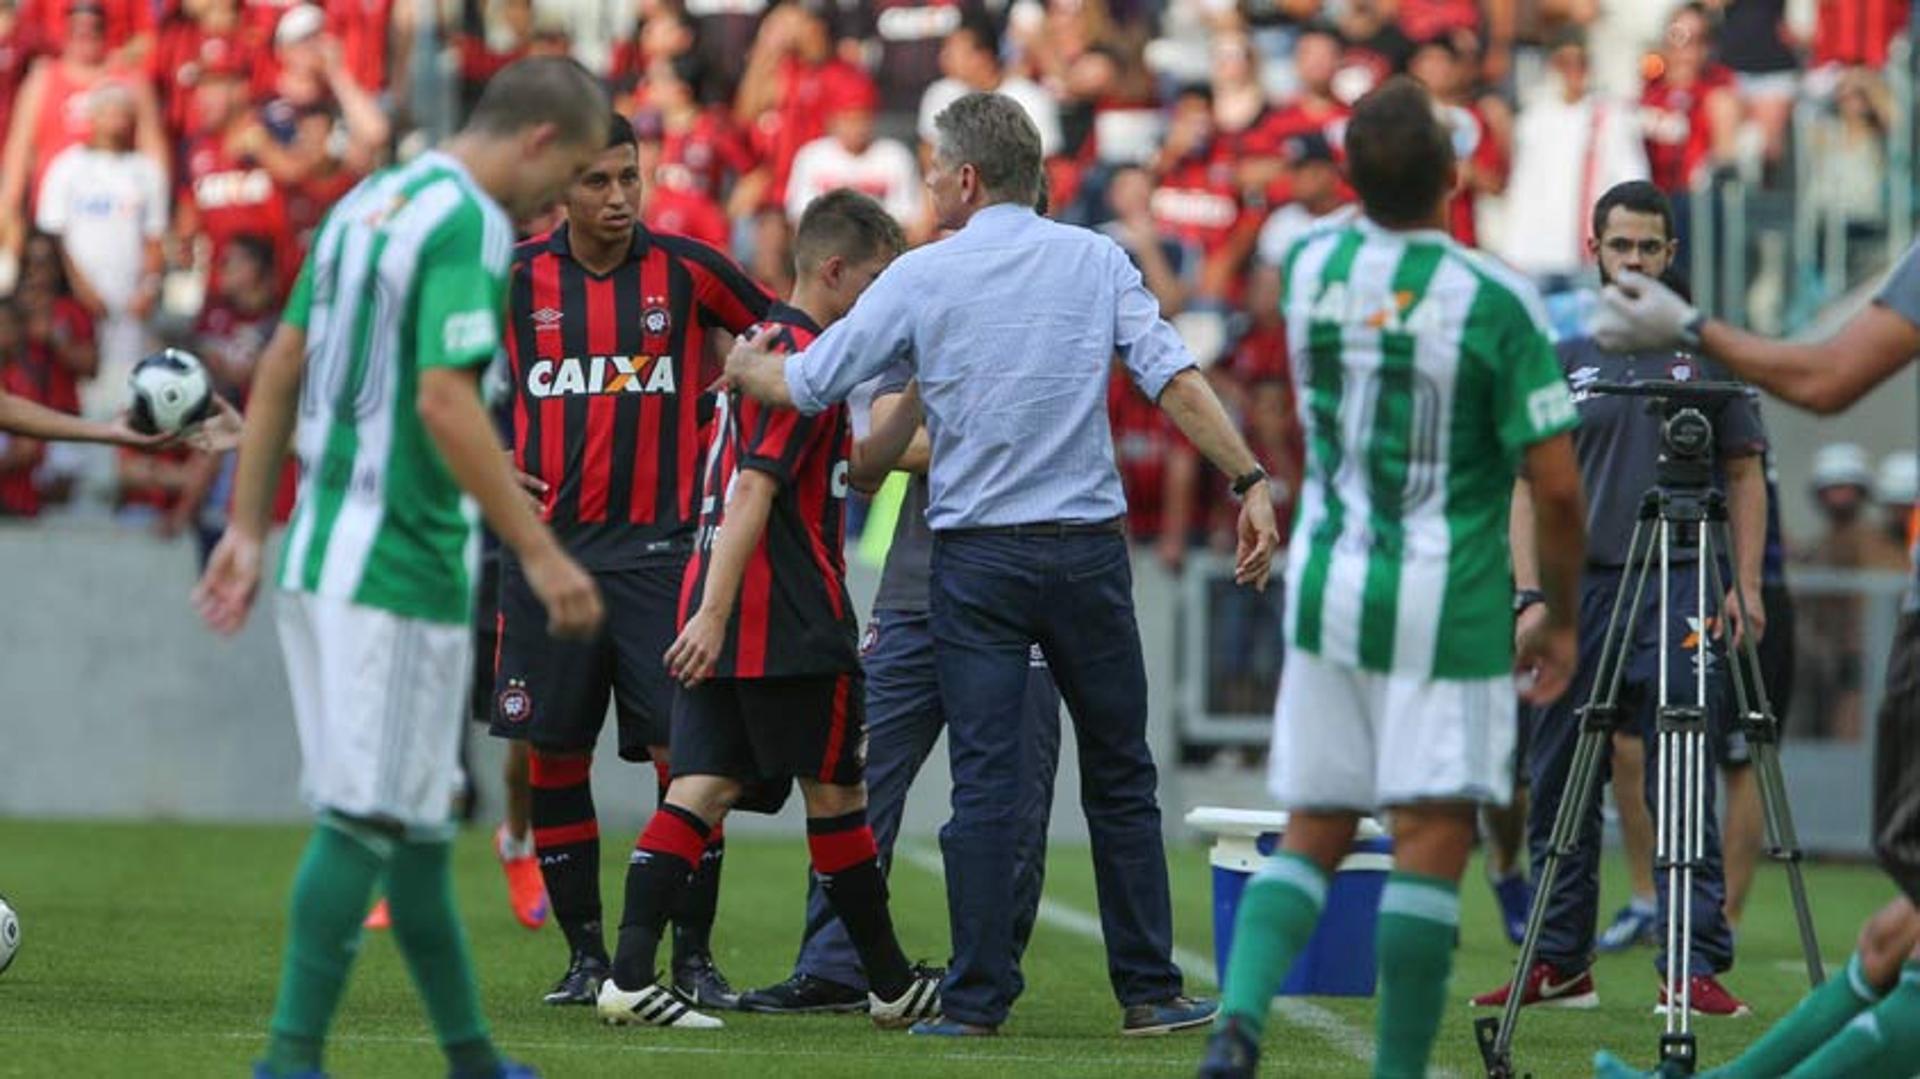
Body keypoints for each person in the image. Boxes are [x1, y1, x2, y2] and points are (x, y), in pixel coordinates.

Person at [724, 90, 1272, 1038]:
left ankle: (975, 1001)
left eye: (935, 166)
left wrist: (744, 369)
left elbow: (812, 384)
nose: (927, 180)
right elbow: (1175, 379)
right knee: (1121, 773)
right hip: (1089, 553)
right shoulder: (1098, 257)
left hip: (976, 558)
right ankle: (1148, 988)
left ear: (967, 178)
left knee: (982, 784)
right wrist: (1249, 478)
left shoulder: (925, 273)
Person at [190, 56, 611, 1079]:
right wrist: (543, 549)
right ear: (541, 142)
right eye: (563, 185)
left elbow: (283, 360)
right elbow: (444, 401)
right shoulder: (468, 221)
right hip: (397, 567)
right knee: (364, 816)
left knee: (417, 828)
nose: (556, 209)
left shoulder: (371, 199)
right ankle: (288, 1059)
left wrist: (249, 524)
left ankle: (471, 1055)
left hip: (327, 545)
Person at [1195, 77, 1587, 1079]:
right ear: (1457, 177)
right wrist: (1562, 616)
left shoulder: (1311, 260)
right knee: (1429, 835)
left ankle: (1239, 1015)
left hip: (1332, 581)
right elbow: (1556, 487)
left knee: (1318, 822)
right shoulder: (1497, 298)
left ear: (1346, 178)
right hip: (1448, 597)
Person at [1588, 168, 1920, 1079]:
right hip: (1628, 582)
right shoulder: (1574, 350)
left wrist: (1689, 327)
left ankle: (1704, 941)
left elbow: (1825, 380)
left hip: (1718, 588)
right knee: (1897, 933)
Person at [598, 188, 943, 1030]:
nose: (882, 297)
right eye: (875, 278)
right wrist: (716, 614)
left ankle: (629, 975)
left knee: (702, 787)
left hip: (724, 601)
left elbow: (854, 469)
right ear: (833, 270)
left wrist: (924, 389)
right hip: (783, 612)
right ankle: (892, 982)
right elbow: (755, 485)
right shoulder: (797, 361)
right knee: (837, 792)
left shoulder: (769, 350)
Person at [490, 111, 775, 1011]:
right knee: (556, 751)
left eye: (629, 178)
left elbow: (784, 333)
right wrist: (491, 453)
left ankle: (690, 956)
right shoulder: (513, 278)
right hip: (548, 555)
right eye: (598, 182)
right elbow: (434, 375)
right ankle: (582, 958)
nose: (618, 198)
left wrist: (749, 374)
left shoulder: (688, 269)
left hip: (663, 556)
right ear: (560, 190)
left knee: (683, 753)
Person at [1473, 180, 1761, 1019]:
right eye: (1620, 245)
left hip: (1680, 576)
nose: (1634, 260)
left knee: (1680, 767)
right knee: (1557, 769)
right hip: (1577, 587)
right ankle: (1561, 960)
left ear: (1671, 254)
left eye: (1649, 247)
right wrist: (1529, 593)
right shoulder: (1562, 356)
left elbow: (1743, 472)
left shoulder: (1708, 355)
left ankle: (1689, 962)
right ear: (1594, 249)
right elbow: (1526, 485)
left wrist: (1742, 584)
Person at [32, 83, 168, 406]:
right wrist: (81, 289)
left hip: (131, 301)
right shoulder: (67, 167)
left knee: (127, 388)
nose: (117, 120)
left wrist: (148, 288)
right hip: (79, 300)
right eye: (109, 112)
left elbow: (155, 235)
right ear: (92, 117)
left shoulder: (146, 171)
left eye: (124, 112)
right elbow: (53, 236)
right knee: (81, 383)